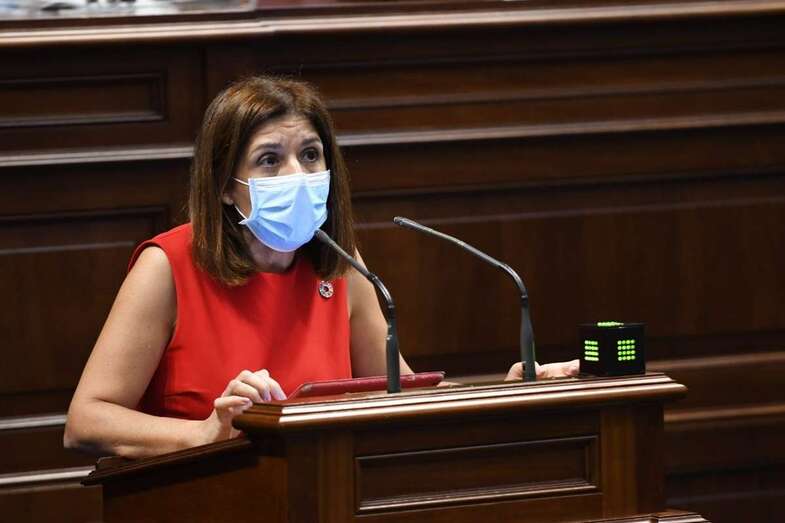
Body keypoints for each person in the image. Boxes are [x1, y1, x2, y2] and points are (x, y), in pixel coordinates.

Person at [64, 76, 577, 459]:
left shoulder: (342, 268)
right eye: (270, 161)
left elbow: (405, 398)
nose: (298, 175)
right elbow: (86, 420)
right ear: (224, 185)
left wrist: (510, 392)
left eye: (311, 155)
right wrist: (202, 434)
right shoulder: (168, 266)